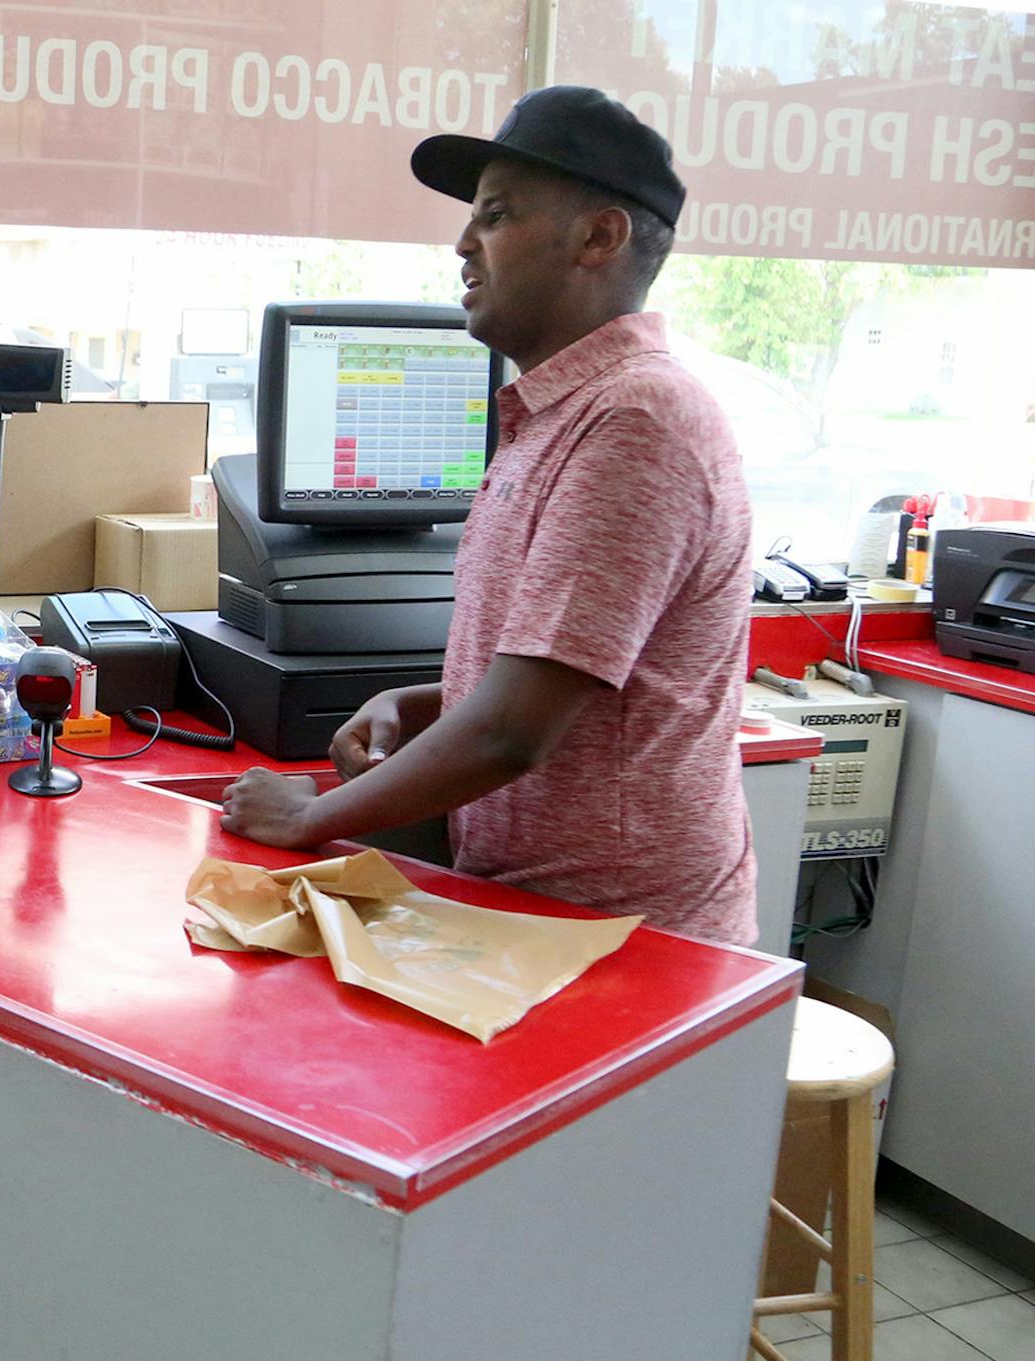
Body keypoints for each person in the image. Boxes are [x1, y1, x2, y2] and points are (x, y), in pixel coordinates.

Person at [221, 86, 759, 946]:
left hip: (626, 942)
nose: (463, 245)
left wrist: (312, 809)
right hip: (536, 916)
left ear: (600, 236)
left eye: (497, 215)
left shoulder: (636, 423)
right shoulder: (558, 416)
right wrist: (424, 701)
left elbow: (514, 731)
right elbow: (569, 680)